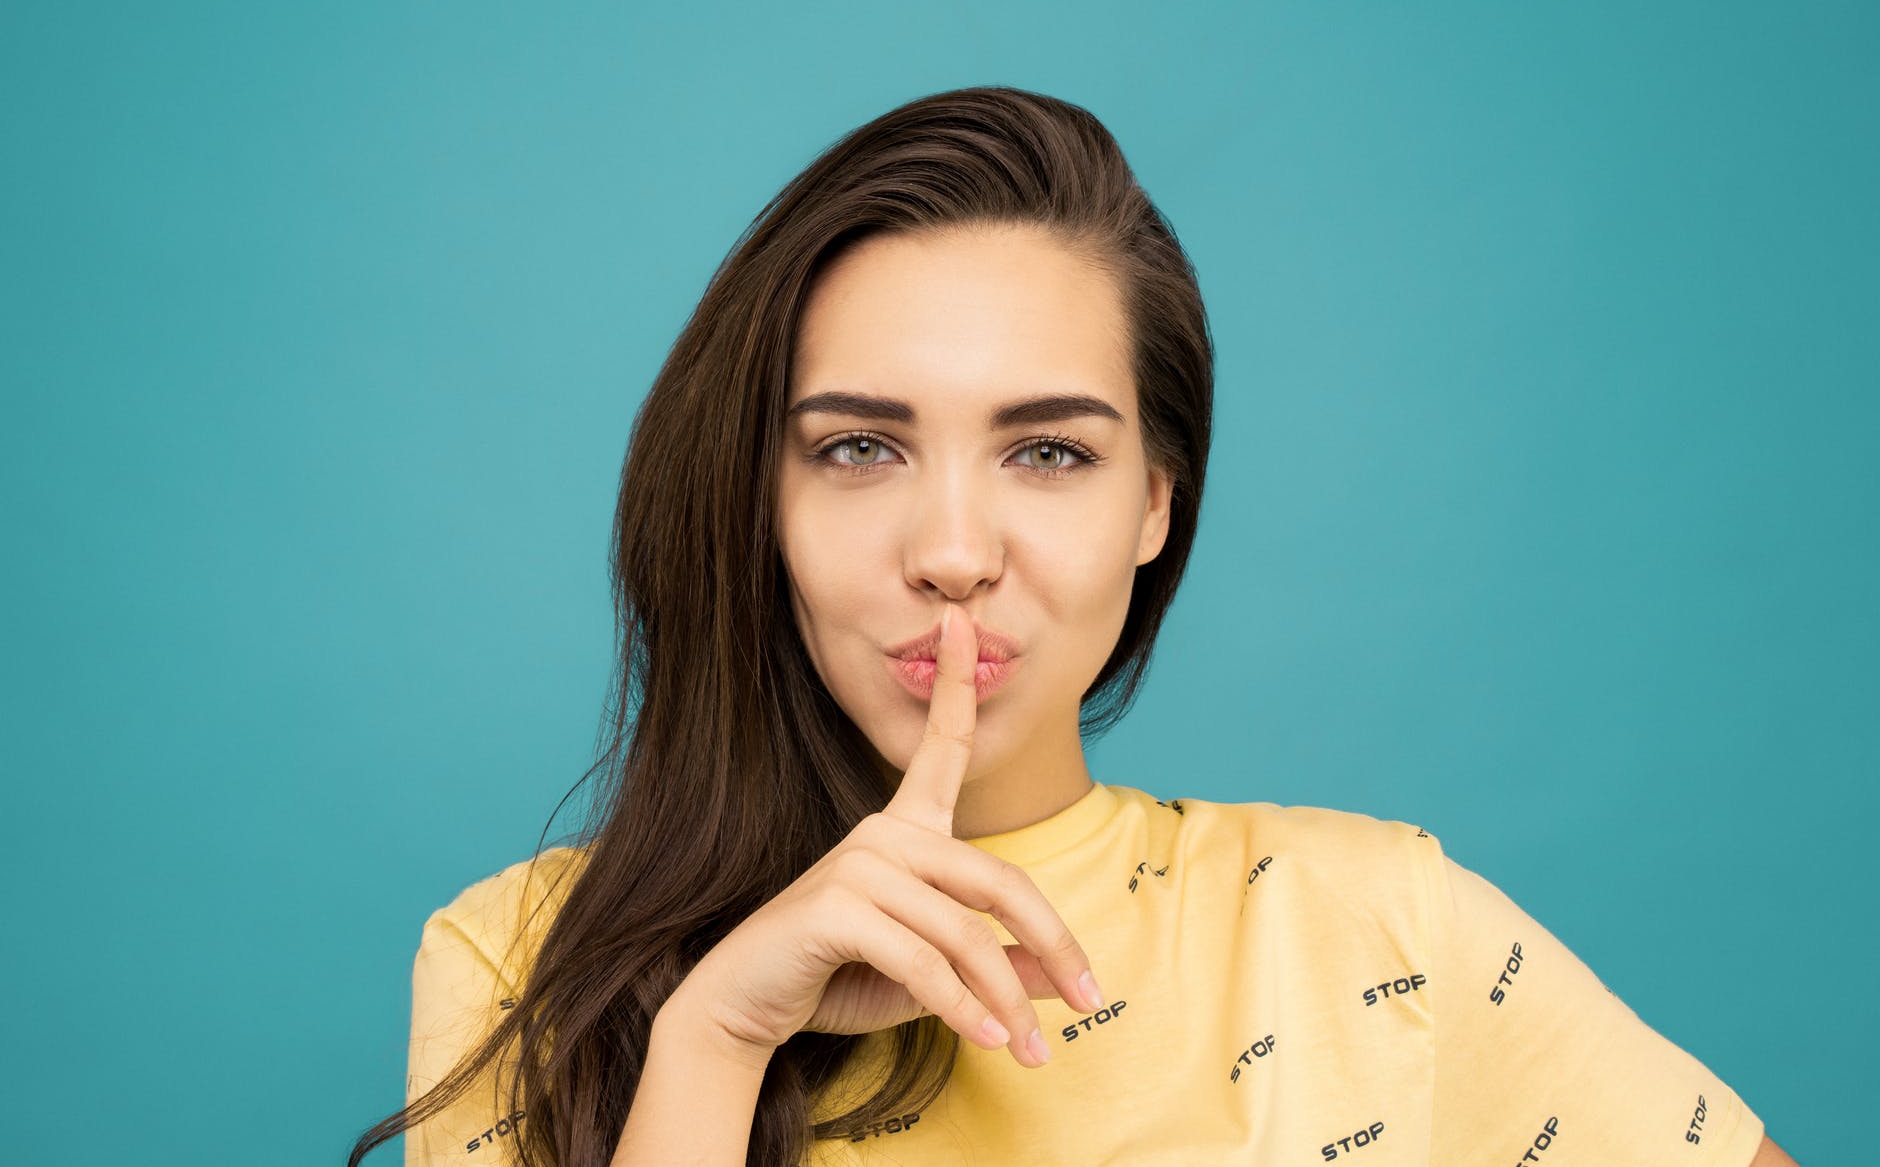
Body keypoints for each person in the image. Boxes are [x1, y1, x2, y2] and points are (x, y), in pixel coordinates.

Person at [347, 86, 1795, 1167]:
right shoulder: (521, 965)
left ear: (1157, 507)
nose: (956, 554)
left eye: (1049, 454)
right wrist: (717, 1039)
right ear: (757, 500)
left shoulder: (1374, 925)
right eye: (859, 448)